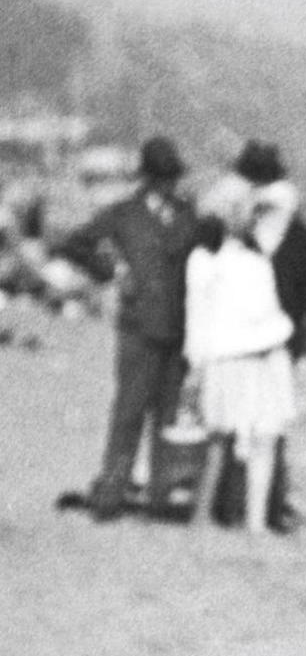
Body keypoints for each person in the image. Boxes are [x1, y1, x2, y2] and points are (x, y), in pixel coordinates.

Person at [58, 136, 198, 519]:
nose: (169, 185)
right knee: (129, 413)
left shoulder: (188, 214)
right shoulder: (123, 214)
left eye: (173, 177)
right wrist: (113, 270)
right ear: (148, 178)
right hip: (137, 329)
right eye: (163, 178)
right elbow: (74, 243)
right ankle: (111, 494)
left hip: (178, 330)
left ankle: (159, 497)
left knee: (169, 418)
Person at [179, 175, 296, 536]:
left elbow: (281, 211)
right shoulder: (206, 260)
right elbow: (197, 317)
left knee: (265, 436)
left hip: (264, 353)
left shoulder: (256, 258)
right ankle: (203, 515)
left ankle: (255, 521)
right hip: (228, 355)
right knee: (219, 438)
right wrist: (196, 365)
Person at [233, 142, 306, 532]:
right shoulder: (299, 233)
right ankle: (268, 506)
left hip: (237, 339)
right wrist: (292, 319)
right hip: (282, 340)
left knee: (236, 420)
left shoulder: (240, 229)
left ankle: (235, 503)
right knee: (271, 426)